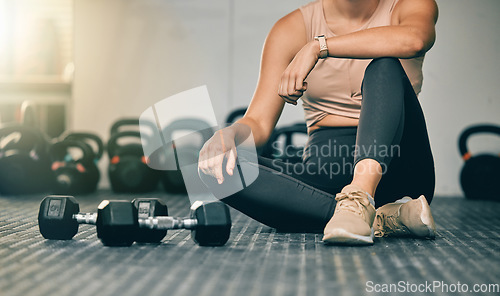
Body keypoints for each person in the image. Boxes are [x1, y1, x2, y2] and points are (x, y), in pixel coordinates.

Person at [198, 0, 438, 245]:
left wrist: (318, 46)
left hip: (399, 166)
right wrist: (229, 134)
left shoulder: (409, 5)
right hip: (327, 175)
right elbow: (258, 122)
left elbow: (416, 39)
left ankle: (360, 195)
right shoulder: (290, 28)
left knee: (384, 64)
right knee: (217, 169)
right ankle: (381, 218)